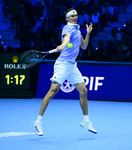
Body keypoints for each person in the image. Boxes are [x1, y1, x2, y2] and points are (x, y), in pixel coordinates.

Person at [33, 8, 97, 136]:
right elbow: (66, 40)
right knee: (52, 92)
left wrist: (88, 34)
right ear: (67, 18)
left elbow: (83, 46)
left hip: (72, 66)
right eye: (72, 16)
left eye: (76, 15)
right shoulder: (67, 28)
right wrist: (62, 46)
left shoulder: (78, 31)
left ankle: (86, 121)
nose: (75, 17)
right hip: (62, 65)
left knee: (83, 91)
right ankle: (38, 121)